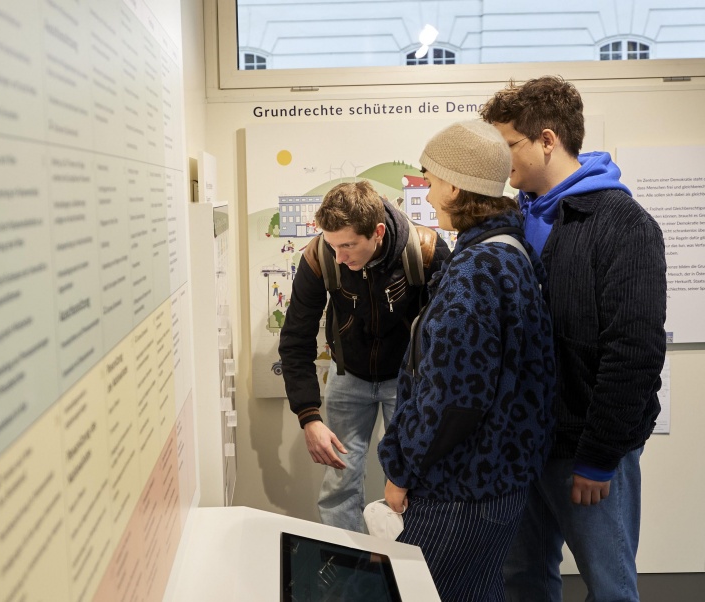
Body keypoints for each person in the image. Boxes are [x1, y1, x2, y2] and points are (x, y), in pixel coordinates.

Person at [480, 76, 667, 601]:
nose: (501, 159)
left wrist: (599, 457)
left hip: (585, 449)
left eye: (508, 145)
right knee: (524, 581)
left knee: (609, 587)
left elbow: (634, 352)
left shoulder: (624, 224)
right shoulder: (514, 220)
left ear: (546, 139)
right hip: (521, 449)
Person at [378, 119, 556, 601]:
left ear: (456, 184)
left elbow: (452, 400)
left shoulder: (478, 270)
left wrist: (399, 472)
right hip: (496, 483)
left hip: (458, 491)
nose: (429, 195)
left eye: (431, 181)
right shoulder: (512, 253)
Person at [279, 180, 449, 532]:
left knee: (412, 483)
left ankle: (412, 571)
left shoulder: (427, 250)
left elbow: (448, 340)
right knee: (339, 487)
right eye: (332, 245)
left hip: (407, 383)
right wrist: (308, 416)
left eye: (348, 245)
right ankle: (347, 571)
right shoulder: (319, 256)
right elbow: (295, 338)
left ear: (378, 232)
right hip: (349, 376)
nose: (339, 256)